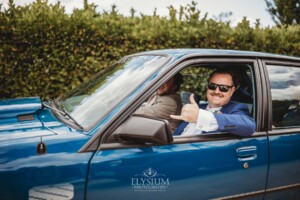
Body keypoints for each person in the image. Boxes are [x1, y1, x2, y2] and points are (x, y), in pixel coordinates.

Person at [171, 69, 255, 136]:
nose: (217, 91)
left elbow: (248, 126)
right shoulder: (198, 108)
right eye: (212, 86)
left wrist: (200, 117)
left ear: (232, 91)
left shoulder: (237, 109)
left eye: (223, 88)